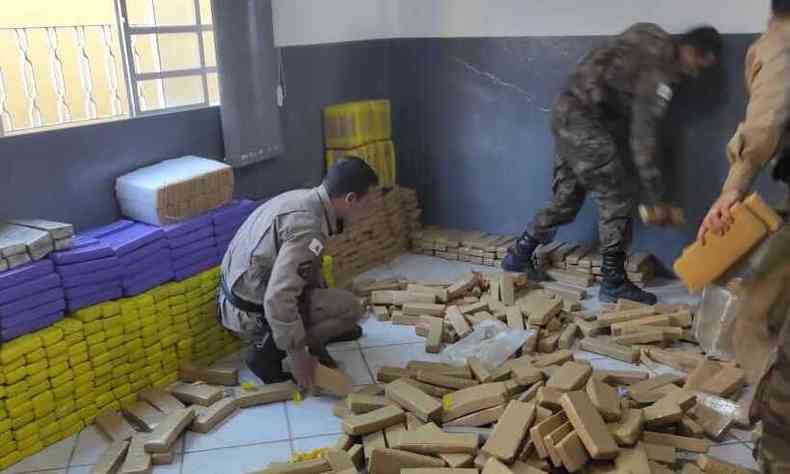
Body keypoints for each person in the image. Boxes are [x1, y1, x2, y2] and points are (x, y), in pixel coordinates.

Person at [503, 23, 722, 304]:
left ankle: (518, 256)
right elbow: (643, 138)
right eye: (700, 64)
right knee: (617, 197)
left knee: (566, 201)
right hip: (586, 122)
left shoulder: (647, 33)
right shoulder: (661, 75)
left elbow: (608, 70)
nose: (697, 73)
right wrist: (657, 198)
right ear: (692, 50)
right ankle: (613, 281)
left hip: (566, 111)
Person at [696, 1, 790, 471]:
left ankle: (778, 450)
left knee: (753, 323)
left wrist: (731, 191)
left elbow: (765, 122)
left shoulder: (783, 40)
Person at [219, 158, 379, 390]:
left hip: (243, 290)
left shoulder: (305, 199)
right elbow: (279, 296)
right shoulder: (307, 227)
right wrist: (298, 354)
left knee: (335, 305)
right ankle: (267, 353)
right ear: (350, 199)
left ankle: (307, 338)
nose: (368, 211)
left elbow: (306, 269)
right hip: (247, 309)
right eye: (367, 203)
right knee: (350, 308)